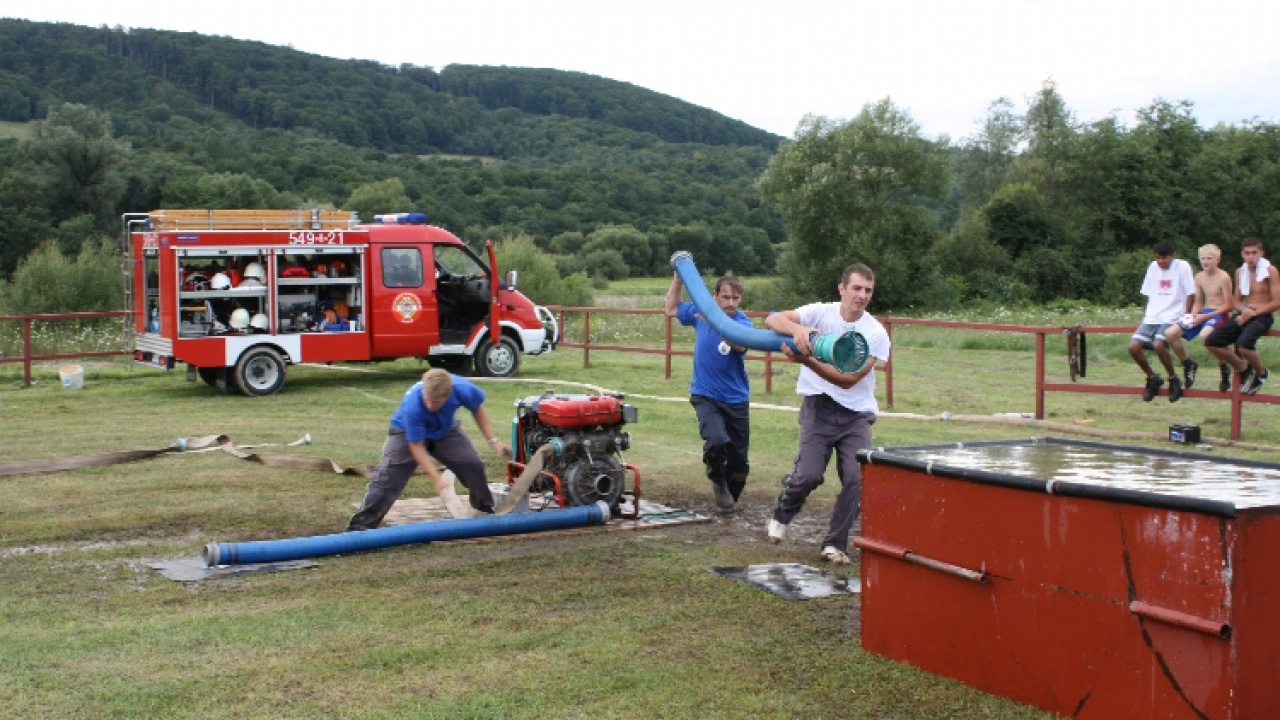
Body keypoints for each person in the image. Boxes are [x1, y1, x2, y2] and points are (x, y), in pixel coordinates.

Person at [763, 263, 891, 565]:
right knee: (808, 475)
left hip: (856, 416)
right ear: (842, 288)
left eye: (868, 290)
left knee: (858, 480)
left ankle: (835, 544)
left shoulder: (875, 333)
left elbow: (849, 379)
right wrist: (798, 330)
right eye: (856, 288)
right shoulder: (821, 312)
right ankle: (783, 511)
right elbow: (772, 319)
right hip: (818, 407)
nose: (861, 296)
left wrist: (805, 360)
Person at [346, 369, 511, 530]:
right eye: (428, 399)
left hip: (445, 429)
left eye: (437, 401)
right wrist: (436, 478)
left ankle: (484, 511)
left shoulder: (461, 388)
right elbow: (416, 446)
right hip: (405, 433)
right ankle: (360, 528)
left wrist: (493, 441)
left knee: (472, 464)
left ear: (448, 395)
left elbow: (477, 408)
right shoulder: (413, 405)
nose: (430, 404)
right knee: (387, 479)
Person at [665, 272, 752, 513]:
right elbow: (671, 309)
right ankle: (717, 479)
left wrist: (713, 320)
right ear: (714, 297)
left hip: (736, 399)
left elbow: (740, 344)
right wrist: (678, 279)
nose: (731, 303)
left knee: (740, 464)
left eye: (736, 298)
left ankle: (728, 498)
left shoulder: (742, 323)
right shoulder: (698, 312)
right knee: (716, 440)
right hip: (705, 394)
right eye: (725, 297)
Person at [1205, 237, 1280, 395]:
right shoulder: (1241, 272)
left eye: (1254, 253)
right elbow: (1236, 300)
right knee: (1212, 341)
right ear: (1242, 254)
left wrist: (1252, 313)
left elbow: (1277, 302)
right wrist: (1243, 309)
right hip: (1245, 313)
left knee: (1244, 344)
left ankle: (1261, 373)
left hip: (1263, 314)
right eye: (1247, 253)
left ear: (1261, 253)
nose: (1251, 257)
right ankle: (1243, 368)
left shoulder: (1270, 271)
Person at [1128, 241, 1195, 402]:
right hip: (1153, 316)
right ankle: (1152, 377)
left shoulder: (1182, 267)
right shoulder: (1152, 267)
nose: (1161, 262)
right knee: (1133, 347)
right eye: (1158, 258)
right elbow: (1148, 293)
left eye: (1164, 258)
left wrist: (1187, 314)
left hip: (1173, 315)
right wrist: (1147, 315)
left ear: (1172, 256)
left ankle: (1173, 378)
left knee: (1159, 345)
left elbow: (1190, 292)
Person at [1162, 244, 1234, 391]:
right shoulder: (1199, 277)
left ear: (1217, 260)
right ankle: (1188, 363)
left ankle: (1223, 366)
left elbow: (1228, 306)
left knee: (1205, 336)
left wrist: (1205, 316)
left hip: (1218, 313)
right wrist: (1193, 315)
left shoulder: (1224, 277)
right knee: (1170, 334)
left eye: (1209, 258)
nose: (1206, 262)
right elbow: (1198, 302)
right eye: (1203, 259)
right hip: (1203, 312)